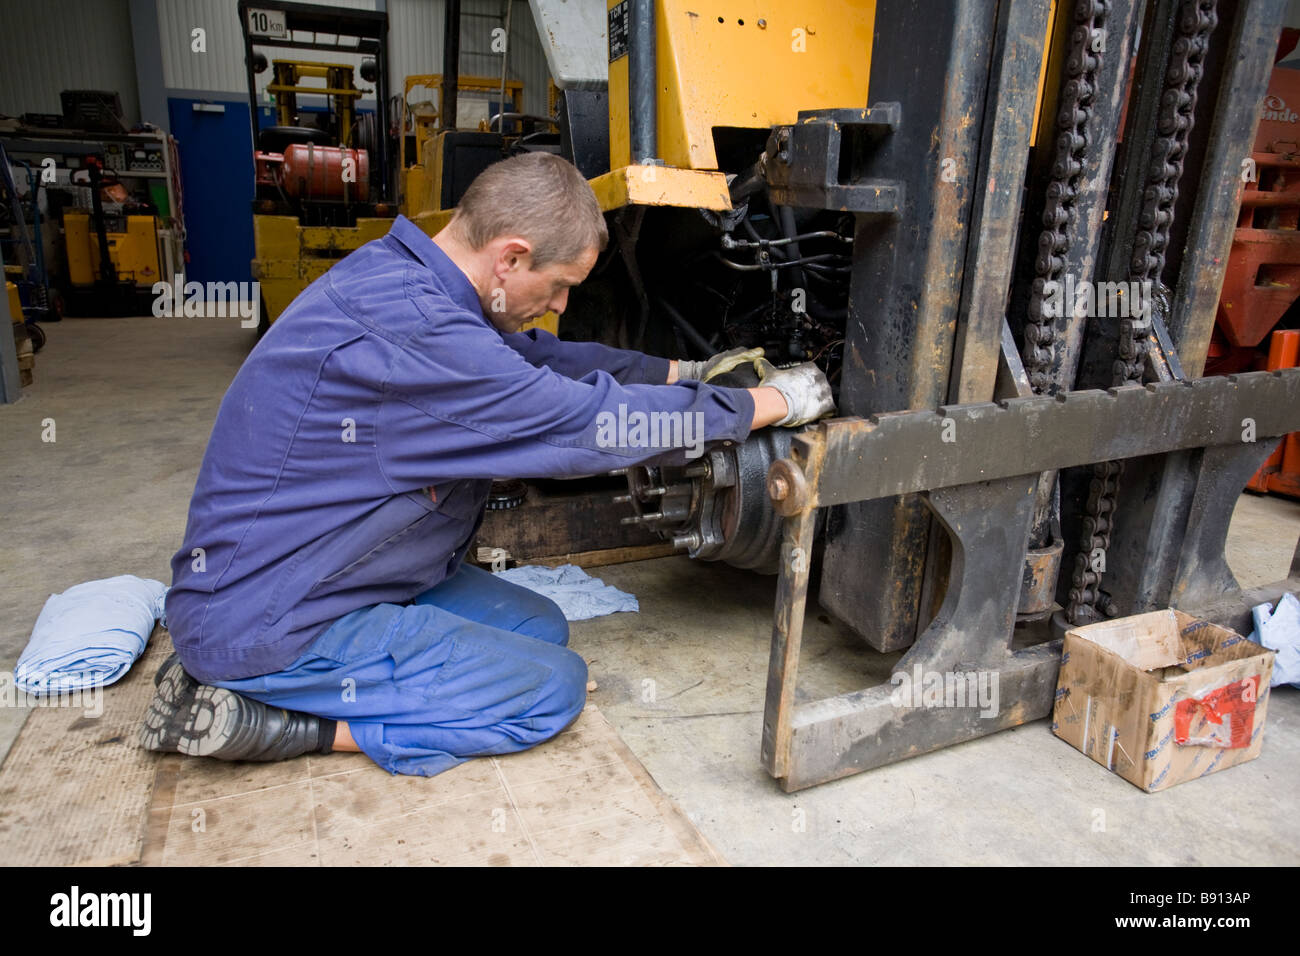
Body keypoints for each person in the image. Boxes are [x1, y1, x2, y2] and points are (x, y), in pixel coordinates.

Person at [141, 151, 834, 776]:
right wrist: (764, 404)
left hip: (331, 573)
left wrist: (690, 369)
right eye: (559, 286)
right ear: (510, 258)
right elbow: (587, 426)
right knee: (550, 691)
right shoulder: (416, 334)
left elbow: (548, 359)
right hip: (273, 614)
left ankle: (269, 682)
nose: (560, 306)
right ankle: (280, 724)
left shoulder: (406, 278)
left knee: (541, 627)